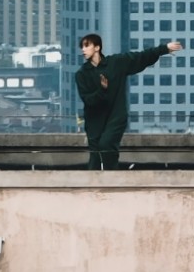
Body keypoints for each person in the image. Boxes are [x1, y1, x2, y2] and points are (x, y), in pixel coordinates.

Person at [75, 33, 183, 170]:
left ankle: (112, 180)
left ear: (97, 47)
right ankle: (92, 187)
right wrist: (102, 90)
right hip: (94, 121)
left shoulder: (116, 63)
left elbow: (140, 57)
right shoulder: (81, 74)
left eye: (86, 46)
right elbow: (88, 100)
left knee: (106, 145)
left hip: (115, 116)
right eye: (82, 47)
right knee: (95, 155)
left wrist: (164, 49)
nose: (83, 50)